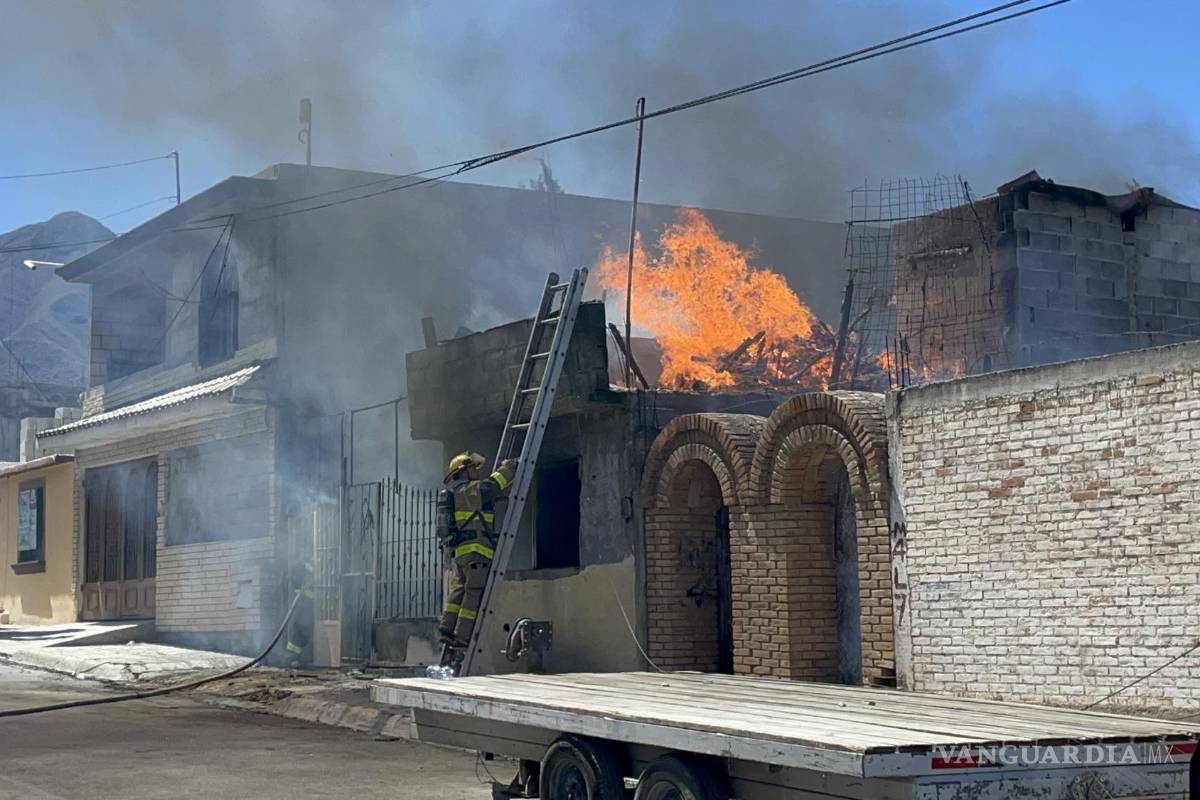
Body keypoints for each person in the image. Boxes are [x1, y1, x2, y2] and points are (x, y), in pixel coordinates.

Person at [437, 451, 517, 668]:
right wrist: (508, 468)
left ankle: (447, 631)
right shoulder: (470, 489)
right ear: (463, 472)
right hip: (477, 552)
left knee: (459, 592)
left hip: (463, 554)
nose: (476, 471)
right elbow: (490, 487)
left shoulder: (458, 493)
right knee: (473, 595)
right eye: (472, 468)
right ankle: (462, 638)